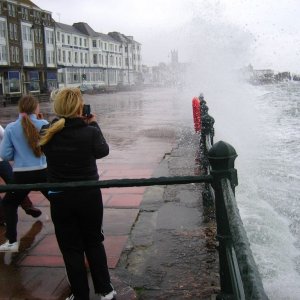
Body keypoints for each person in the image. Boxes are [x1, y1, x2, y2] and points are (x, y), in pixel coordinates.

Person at [39, 87, 116, 300]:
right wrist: (93, 123)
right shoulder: (89, 131)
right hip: (88, 196)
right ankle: (106, 291)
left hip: (60, 197)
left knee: (71, 248)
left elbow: (45, 143)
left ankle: (80, 294)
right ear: (79, 107)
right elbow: (103, 151)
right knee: (93, 241)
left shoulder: (47, 132)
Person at [0, 95, 48, 252]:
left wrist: (20, 155)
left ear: (20, 108)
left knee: (9, 203)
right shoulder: (44, 124)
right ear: (36, 108)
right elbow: (50, 149)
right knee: (60, 200)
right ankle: (74, 236)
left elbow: (5, 155)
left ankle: (12, 242)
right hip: (43, 172)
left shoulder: (11, 128)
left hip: (22, 175)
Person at [0, 124, 42, 226]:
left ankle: (26, 206)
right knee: (13, 184)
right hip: (1, 160)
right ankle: (3, 216)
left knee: (14, 184)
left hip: (1, 160)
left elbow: (4, 135)